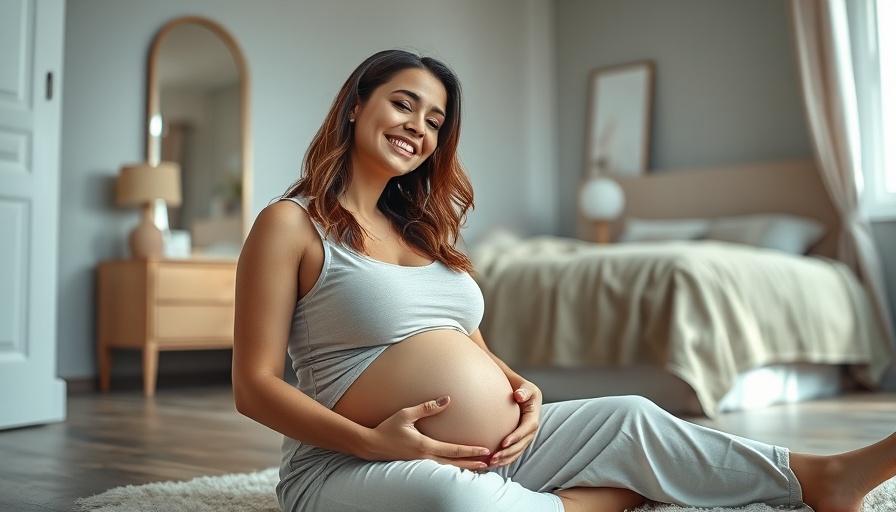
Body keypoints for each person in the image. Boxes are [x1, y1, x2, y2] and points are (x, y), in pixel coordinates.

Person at [232, 48, 896, 512]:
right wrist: (373, 442)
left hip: (497, 450)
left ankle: (823, 477)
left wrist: (515, 383)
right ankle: (596, 501)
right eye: (404, 104)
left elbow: (466, 341)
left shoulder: (421, 230)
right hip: (349, 465)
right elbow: (253, 388)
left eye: (435, 121)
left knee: (631, 415)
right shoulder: (291, 225)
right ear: (354, 106)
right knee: (448, 503)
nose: (419, 128)